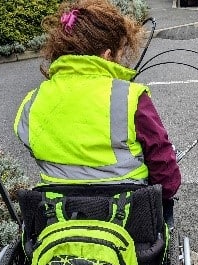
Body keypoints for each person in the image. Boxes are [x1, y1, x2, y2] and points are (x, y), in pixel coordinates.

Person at [13, 0, 181, 219]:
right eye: (119, 54)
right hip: (129, 221)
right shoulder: (129, 97)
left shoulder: (32, 101)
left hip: (57, 220)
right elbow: (166, 176)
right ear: (106, 55)